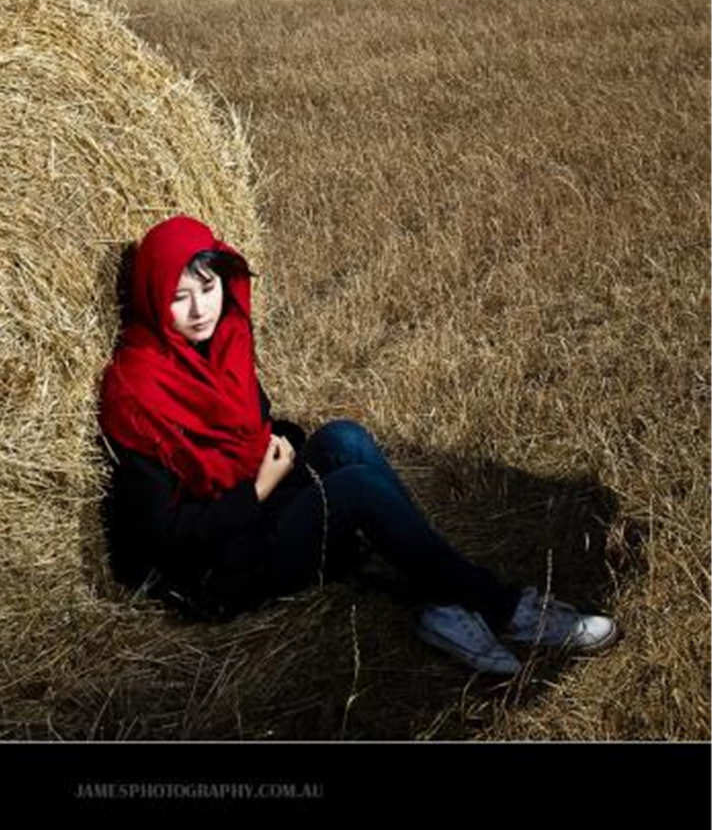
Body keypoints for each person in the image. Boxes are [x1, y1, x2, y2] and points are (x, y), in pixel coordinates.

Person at [98, 215, 618, 675]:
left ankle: (438, 602)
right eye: (177, 296)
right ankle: (509, 609)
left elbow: (253, 426)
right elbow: (156, 538)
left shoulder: (223, 343)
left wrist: (281, 450)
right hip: (214, 568)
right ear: (150, 297)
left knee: (343, 437)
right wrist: (258, 490)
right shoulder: (138, 391)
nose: (199, 309)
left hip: (253, 504)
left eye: (207, 288)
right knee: (356, 491)